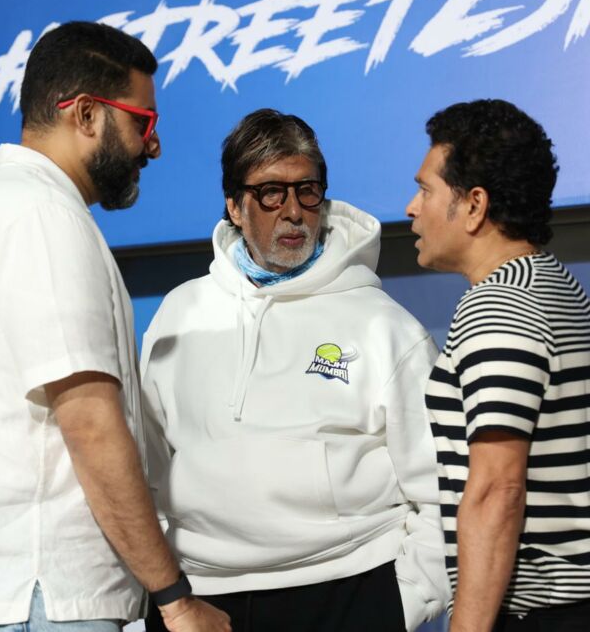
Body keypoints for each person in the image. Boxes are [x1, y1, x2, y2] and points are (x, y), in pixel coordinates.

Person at [0, 21, 229, 632]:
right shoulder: (41, 218)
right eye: (143, 122)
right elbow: (91, 425)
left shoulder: (1, 206)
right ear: (85, 114)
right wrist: (176, 600)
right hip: (45, 598)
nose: (153, 146)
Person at [141, 108, 449, 632]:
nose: (293, 212)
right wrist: (160, 591)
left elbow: (440, 484)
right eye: (270, 193)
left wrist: (407, 599)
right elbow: (144, 470)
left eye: (307, 191)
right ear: (234, 206)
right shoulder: (179, 313)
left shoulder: (384, 325)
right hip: (199, 598)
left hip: (348, 589)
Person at [406, 99, 590, 632]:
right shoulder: (553, 283)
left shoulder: (499, 306)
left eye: (425, 190)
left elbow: (497, 490)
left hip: (543, 613)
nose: (412, 208)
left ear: (474, 205)